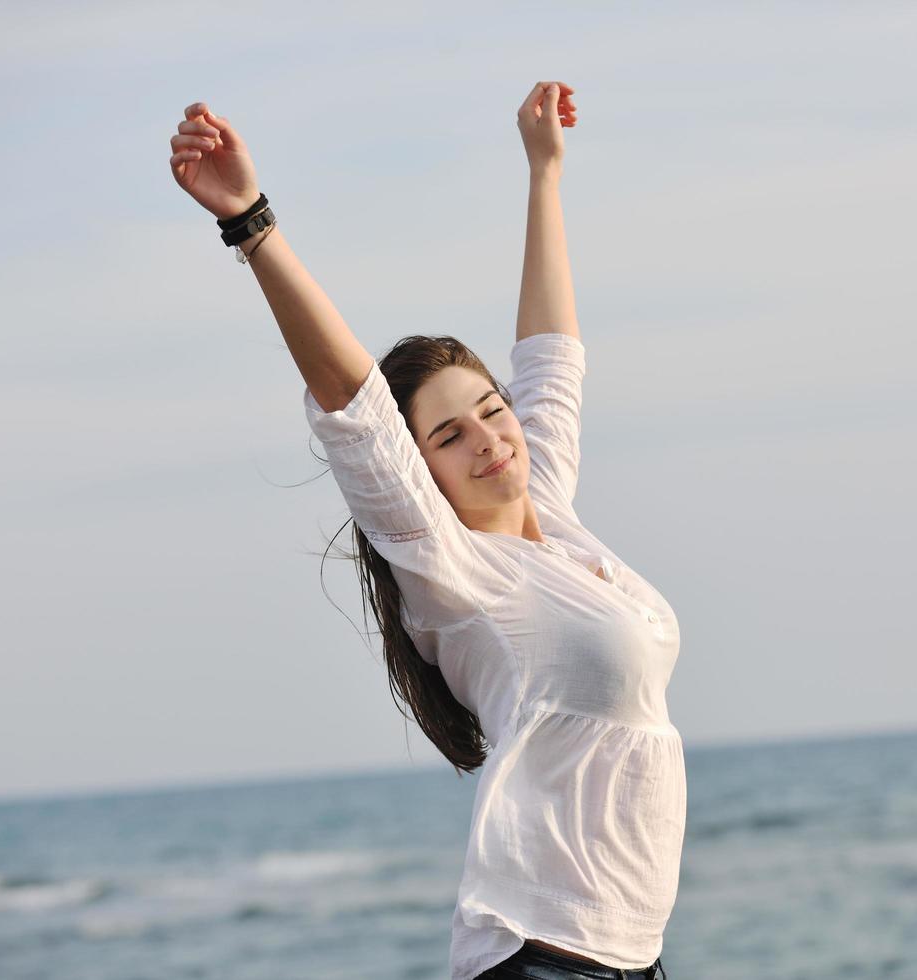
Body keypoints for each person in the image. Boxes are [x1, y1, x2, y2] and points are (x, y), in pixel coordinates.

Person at [169, 81, 682, 980]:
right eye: (449, 436)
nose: (489, 439)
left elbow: (551, 357)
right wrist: (251, 222)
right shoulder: (455, 570)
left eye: (492, 412)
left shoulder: (551, 518)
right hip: (543, 959)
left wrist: (544, 176)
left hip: (627, 959)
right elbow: (353, 402)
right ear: (422, 476)